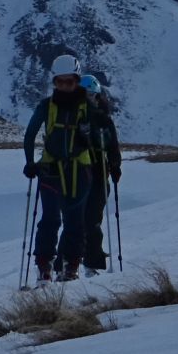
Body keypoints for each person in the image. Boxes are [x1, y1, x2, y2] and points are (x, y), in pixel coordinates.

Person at [22, 53, 94, 283]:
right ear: (54, 81)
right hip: (56, 169)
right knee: (53, 219)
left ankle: (67, 266)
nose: (64, 86)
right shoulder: (49, 106)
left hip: (75, 170)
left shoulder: (86, 107)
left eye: (69, 82)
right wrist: (29, 161)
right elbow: (30, 134)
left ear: (76, 80)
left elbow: (103, 134)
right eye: (59, 82)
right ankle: (48, 267)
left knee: (72, 220)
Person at [79, 74, 123, 274]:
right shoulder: (76, 117)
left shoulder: (104, 120)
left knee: (92, 217)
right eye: (85, 95)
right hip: (80, 172)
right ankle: (84, 257)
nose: (89, 98)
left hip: (98, 172)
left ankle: (91, 258)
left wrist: (115, 166)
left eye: (92, 95)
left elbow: (112, 145)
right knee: (82, 217)